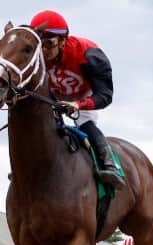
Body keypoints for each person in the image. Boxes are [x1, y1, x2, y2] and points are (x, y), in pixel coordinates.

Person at [29, 10, 125, 189]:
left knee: (85, 123)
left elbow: (105, 96)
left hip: (84, 94)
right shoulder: (37, 56)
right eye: (39, 44)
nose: (44, 50)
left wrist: (77, 105)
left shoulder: (89, 55)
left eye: (49, 44)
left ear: (63, 41)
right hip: (54, 95)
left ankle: (109, 165)